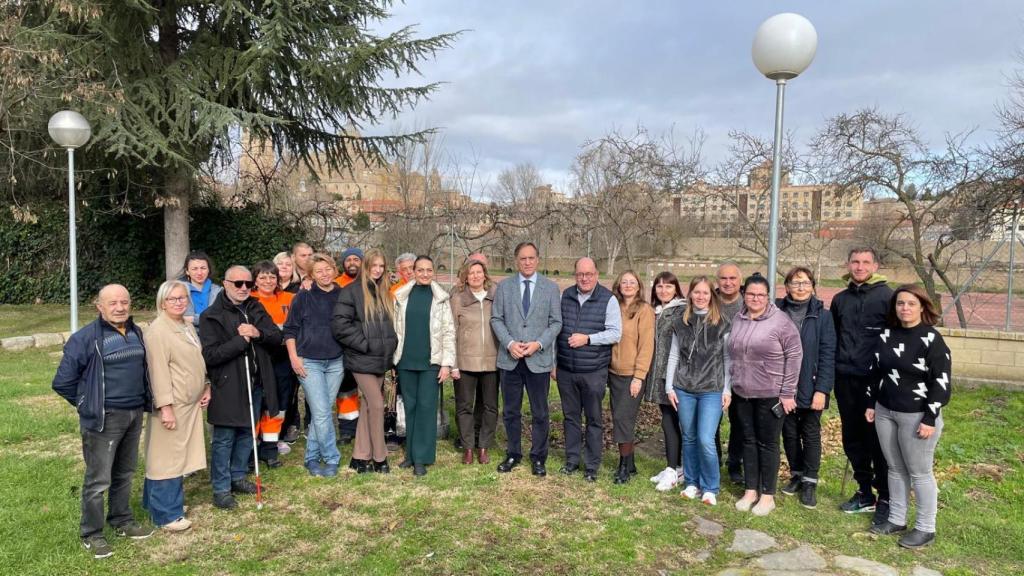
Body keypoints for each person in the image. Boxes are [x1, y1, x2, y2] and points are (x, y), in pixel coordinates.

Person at [52, 284, 155, 559]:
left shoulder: (136, 332)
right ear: (99, 306)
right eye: (113, 303)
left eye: (124, 302)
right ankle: (92, 534)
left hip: (134, 414)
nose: (120, 307)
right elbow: (62, 382)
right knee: (98, 480)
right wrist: (88, 404)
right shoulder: (85, 338)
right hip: (103, 419)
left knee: (125, 472)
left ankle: (121, 520)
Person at [866, 285, 952, 550]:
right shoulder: (886, 334)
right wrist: (871, 403)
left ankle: (926, 528)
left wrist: (930, 417)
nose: (905, 308)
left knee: (920, 472)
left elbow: (941, 382)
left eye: (911, 304)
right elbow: (875, 371)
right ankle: (896, 519)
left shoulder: (931, 339)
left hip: (916, 415)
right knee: (894, 468)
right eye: (900, 303)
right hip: (885, 412)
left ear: (922, 307)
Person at [200, 265, 281, 510]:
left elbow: (275, 337)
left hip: (255, 382)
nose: (244, 288)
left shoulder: (256, 307)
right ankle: (221, 488)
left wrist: (257, 332)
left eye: (248, 284)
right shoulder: (210, 316)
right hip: (227, 384)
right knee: (224, 438)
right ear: (225, 284)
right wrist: (240, 341)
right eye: (238, 284)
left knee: (247, 432)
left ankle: (237, 477)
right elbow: (211, 355)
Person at [728, 273, 802, 516]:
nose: (755, 298)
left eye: (760, 295)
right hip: (742, 392)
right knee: (747, 441)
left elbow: (794, 356)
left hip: (770, 393)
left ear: (768, 296)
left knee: (768, 443)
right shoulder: (739, 318)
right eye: (751, 294)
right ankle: (751, 490)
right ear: (744, 295)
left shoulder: (780, 322)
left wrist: (788, 392)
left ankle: (768, 495)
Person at [832, 247, 894, 524]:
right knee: (853, 437)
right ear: (848, 264)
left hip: (876, 382)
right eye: (855, 261)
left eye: (865, 262)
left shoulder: (887, 297)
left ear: (875, 265)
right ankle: (864, 491)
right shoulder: (840, 299)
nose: (859, 266)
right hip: (845, 378)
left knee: (877, 440)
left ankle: (886, 497)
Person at [141, 280, 209, 533]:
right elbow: (158, 372)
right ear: (162, 302)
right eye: (173, 299)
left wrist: (206, 385)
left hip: (189, 403)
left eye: (182, 298)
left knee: (176, 456)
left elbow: (196, 361)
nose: (179, 302)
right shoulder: (158, 331)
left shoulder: (185, 325)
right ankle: (167, 514)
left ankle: (154, 504)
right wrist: (165, 407)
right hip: (173, 404)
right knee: (165, 458)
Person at [490, 241, 562, 477]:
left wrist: (538, 344)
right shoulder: (504, 287)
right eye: (523, 258)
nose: (527, 262)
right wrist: (510, 343)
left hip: (537, 359)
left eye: (531, 258)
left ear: (538, 260)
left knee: (540, 412)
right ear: (516, 261)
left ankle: (538, 457)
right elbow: (496, 319)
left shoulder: (550, 288)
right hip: (510, 359)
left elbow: (556, 323)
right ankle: (513, 453)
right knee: (511, 411)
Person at [665, 276, 731, 506]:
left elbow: (727, 359)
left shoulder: (721, 322)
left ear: (711, 296)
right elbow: (674, 355)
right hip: (684, 388)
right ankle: (691, 483)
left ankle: (710, 486)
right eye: (697, 292)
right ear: (690, 294)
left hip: (711, 389)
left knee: (705, 438)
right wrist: (669, 387)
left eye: (705, 293)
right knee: (689, 437)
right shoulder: (681, 322)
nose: (701, 297)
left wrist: (727, 390)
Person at [554, 257, 621, 482]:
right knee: (570, 418)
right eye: (580, 274)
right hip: (566, 370)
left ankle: (592, 465)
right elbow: (557, 329)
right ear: (575, 275)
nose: (584, 278)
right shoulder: (566, 296)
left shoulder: (608, 300)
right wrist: (554, 363)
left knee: (594, 419)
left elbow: (615, 333)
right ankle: (572, 460)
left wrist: (588, 339)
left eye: (589, 274)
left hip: (593, 370)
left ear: (596, 275)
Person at [333, 248, 398, 474]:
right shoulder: (350, 292)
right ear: (365, 266)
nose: (378, 270)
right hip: (361, 359)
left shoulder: (384, 292)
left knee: (370, 407)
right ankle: (380, 458)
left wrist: (390, 348)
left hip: (380, 360)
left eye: (382, 266)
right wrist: (365, 344)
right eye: (374, 266)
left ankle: (359, 458)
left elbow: (388, 328)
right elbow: (340, 325)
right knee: (378, 405)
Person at [776, 267, 836, 510]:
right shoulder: (777, 312)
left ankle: (810, 481)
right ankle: (797, 474)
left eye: (804, 282)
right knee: (788, 433)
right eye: (795, 282)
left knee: (809, 433)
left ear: (812, 286)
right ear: (787, 286)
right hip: (782, 385)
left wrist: (822, 389)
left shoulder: (823, 316)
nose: (800, 287)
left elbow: (828, 354)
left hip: (810, 385)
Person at [393, 255, 456, 476]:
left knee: (427, 409)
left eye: (429, 270)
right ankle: (410, 454)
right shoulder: (401, 296)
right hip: (406, 361)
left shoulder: (440, 298)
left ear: (433, 272)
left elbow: (449, 332)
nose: (425, 274)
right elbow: (396, 329)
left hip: (431, 363)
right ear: (413, 272)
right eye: (420, 270)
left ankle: (422, 457)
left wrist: (447, 364)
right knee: (409, 408)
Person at [283, 254, 345, 477]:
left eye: (327, 269)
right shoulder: (303, 296)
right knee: (321, 412)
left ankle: (311, 457)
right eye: (318, 271)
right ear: (311, 275)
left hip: (336, 362)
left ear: (334, 270)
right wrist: (293, 357)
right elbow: (289, 329)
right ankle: (331, 457)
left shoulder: (343, 295)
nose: (324, 274)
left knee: (323, 412)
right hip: (309, 361)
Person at [450, 258, 499, 465]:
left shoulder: (495, 297)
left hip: (491, 362)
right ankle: (468, 446)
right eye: (471, 273)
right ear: (465, 277)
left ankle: (484, 445)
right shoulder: (458, 299)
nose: (476, 276)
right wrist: (452, 364)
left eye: (479, 272)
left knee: (489, 406)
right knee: (465, 406)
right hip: (465, 362)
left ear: (485, 275)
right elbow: (450, 331)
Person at [608, 270, 654, 484]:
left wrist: (639, 376)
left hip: (632, 375)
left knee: (622, 419)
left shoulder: (644, 310)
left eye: (632, 282)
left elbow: (646, 346)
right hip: (613, 373)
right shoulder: (612, 307)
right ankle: (632, 463)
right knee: (620, 416)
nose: (627, 285)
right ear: (618, 285)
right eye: (624, 281)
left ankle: (623, 466)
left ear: (638, 286)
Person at [645, 271, 687, 492]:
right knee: (667, 420)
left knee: (673, 422)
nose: (663, 290)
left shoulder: (681, 310)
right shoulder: (656, 312)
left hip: (674, 376)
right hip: (658, 375)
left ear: (676, 289)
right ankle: (673, 465)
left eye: (668, 287)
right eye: (659, 287)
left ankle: (676, 469)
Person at [251, 260, 295, 467]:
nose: (268, 281)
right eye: (262, 277)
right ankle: (251, 449)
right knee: (256, 405)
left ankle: (270, 448)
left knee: (278, 404)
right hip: (257, 360)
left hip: (283, 359)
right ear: (255, 280)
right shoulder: (248, 300)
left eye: (272, 277)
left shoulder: (290, 299)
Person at [716, 261, 744, 484]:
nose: (728, 283)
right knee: (711, 421)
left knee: (739, 421)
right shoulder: (709, 301)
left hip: (741, 372)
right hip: (711, 371)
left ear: (740, 281)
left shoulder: (748, 304)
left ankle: (735, 463)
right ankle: (713, 460)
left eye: (732, 278)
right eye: (723, 278)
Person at [181, 251, 222, 330]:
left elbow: (220, 318)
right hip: (189, 337)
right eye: (194, 269)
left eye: (203, 268)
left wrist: (193, 319)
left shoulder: (219, 292)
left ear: (208, 270)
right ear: (187, 271)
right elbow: (180, 319)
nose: (199, 273)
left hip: (217, 336)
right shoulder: (179, 292)